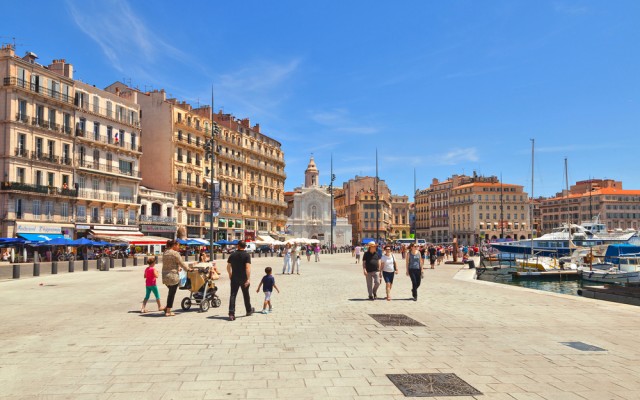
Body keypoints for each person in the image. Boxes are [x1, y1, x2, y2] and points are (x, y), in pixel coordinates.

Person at [227, 240, 254, 321]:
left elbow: (228, 267)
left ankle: (231, 313)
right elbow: (247, 268)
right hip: (243, 278)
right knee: (246, 294)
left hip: (234, 277)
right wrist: (248, 279)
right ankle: (248, 310)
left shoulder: (232, 255)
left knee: (233, 295)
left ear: (238, 246)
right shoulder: (246, 255)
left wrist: (230, 274)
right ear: (245, 246)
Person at [162, 239, 190, 317]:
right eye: (178, 245)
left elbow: (169, 264)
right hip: (173, 277)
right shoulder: (175, 253)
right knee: (171, 294)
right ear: (174, 245)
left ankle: (167, 307)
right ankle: (168, 311)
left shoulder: (165, 252)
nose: (179, 247)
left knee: (170, 292)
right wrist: (188, 269)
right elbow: (182, 263)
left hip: (165, 277)